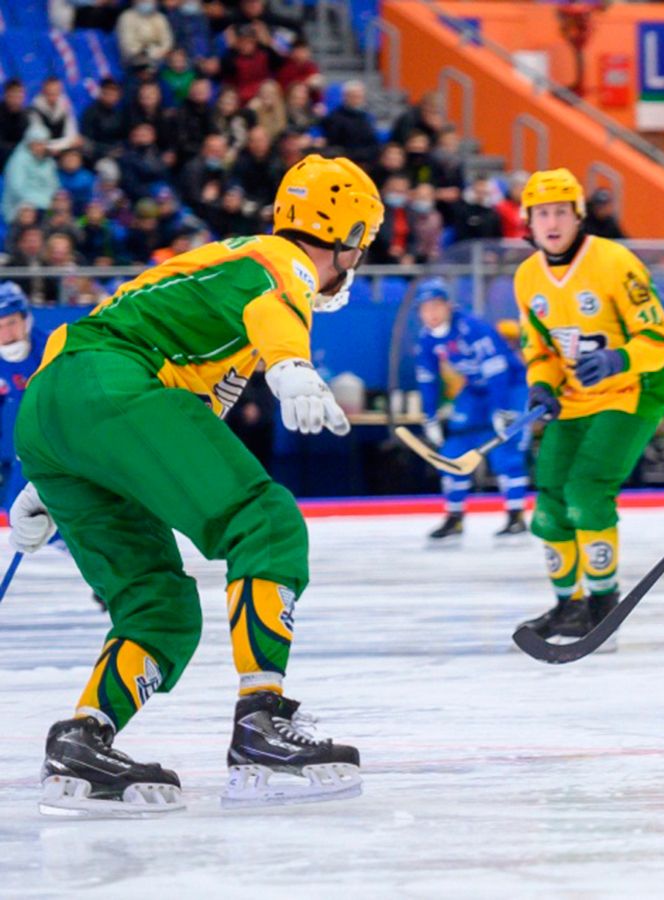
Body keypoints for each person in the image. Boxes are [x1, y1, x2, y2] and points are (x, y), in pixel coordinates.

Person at [11, 154, 383, 815]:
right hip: (115, 384)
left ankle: (83, 737)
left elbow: (164, 409)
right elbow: (274, 306)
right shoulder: (284, 260)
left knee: (160, 606)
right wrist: (292, 364)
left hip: (55, 408)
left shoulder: (219, 281)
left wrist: (50, 475)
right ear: (346, 237)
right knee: (264, 520)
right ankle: (260, 720)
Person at [512, 169, 664, 640]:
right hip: (572, 400)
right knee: (547, 505)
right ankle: (569, 604)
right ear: (529, 222)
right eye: (543, 213)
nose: (553, 222)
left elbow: (658, 339)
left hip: (633, 392)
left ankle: (603, 600)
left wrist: (617, 358)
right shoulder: (527, 278)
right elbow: (538, 349)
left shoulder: (614, 261)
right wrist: (541, 384)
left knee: (585, 492)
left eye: (562, 211)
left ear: (578, 215)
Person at [412, 277, 530, 541]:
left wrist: (501, 410)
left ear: (448, 306)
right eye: (424, 308)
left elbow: (498, 370)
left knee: (505, 449)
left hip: (510, 387)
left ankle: (516, 515)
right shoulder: (427, 337)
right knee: (454, 447)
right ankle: (454, 518)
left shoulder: (472, 327)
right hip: (476, 388)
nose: (430, 313)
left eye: (436, 306)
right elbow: (427, 377)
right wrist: (429, 416)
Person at [0, 282, 49, 510]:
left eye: (11, 322)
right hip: (20, 451)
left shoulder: (54, 350)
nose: (6, 334)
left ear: (26, 320)